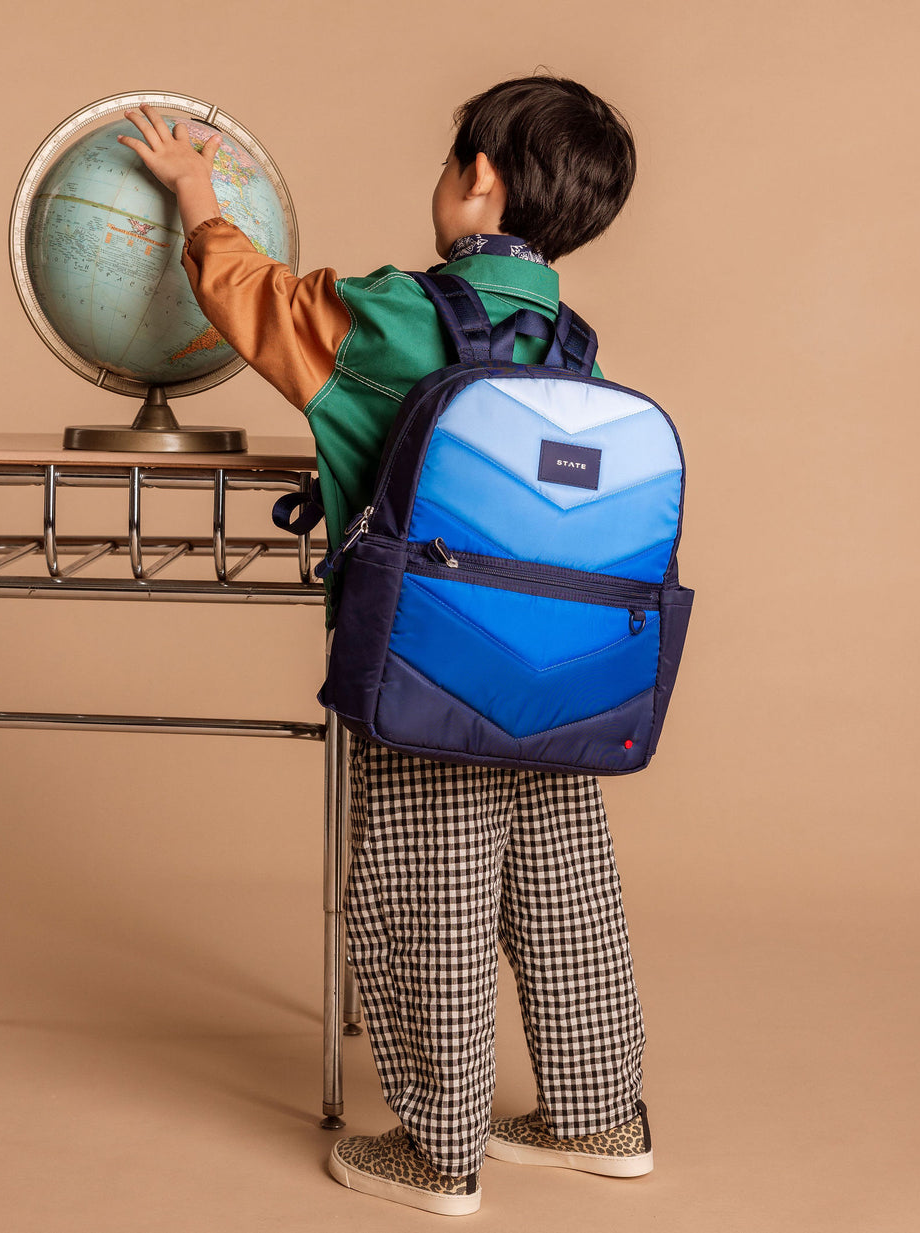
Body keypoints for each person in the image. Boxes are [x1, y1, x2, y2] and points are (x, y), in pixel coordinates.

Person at [120, 76, 652, 1218]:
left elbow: (247, 295)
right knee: (564, 882)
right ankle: (600, 1116)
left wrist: (195, 192)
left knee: (427, 892)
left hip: (427, 668)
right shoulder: (579, 347)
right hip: (563, 673)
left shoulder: (392, 314)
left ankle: (438, 1150)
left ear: (478, 178)